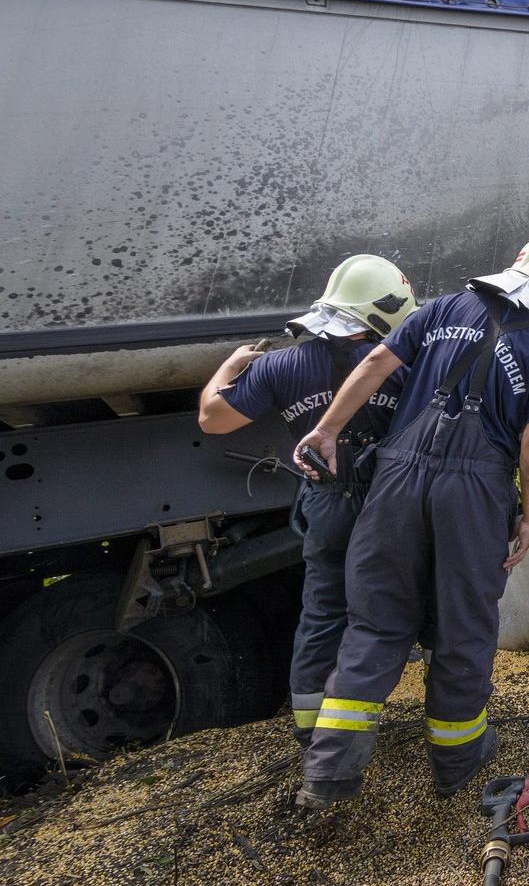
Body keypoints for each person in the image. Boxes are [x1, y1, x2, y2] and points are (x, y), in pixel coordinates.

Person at [291, 233, 529, 807]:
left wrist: (326, 430)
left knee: (374, 626)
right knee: (462, 628)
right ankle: (457, 762)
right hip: (472, 495)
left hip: (395, 484)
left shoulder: (442, 308)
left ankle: (328, 774)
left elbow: (378, 362)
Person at [196, 254, 416, 748]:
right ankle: (371, 717)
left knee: (323, 610)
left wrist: (228, 368)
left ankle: (313, 731)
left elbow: (213, 419)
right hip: (388, 505)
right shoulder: (398, 365)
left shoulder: (281, 365)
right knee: (390, 606)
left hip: (325, 502)